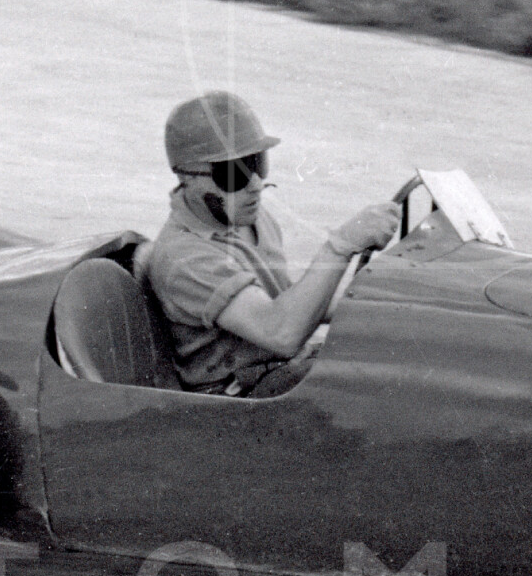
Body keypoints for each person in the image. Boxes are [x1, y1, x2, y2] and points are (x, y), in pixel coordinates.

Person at [146, 93, 399, 397]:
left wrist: (380, 306)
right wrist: (340, 247)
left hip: (277, 369)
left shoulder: (246, 217)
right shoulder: (185, 258)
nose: (255, 185)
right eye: (233, 173)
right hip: (238, 400)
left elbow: (286, 300)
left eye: (257, 164)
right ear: (188, 177)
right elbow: (281, 334)